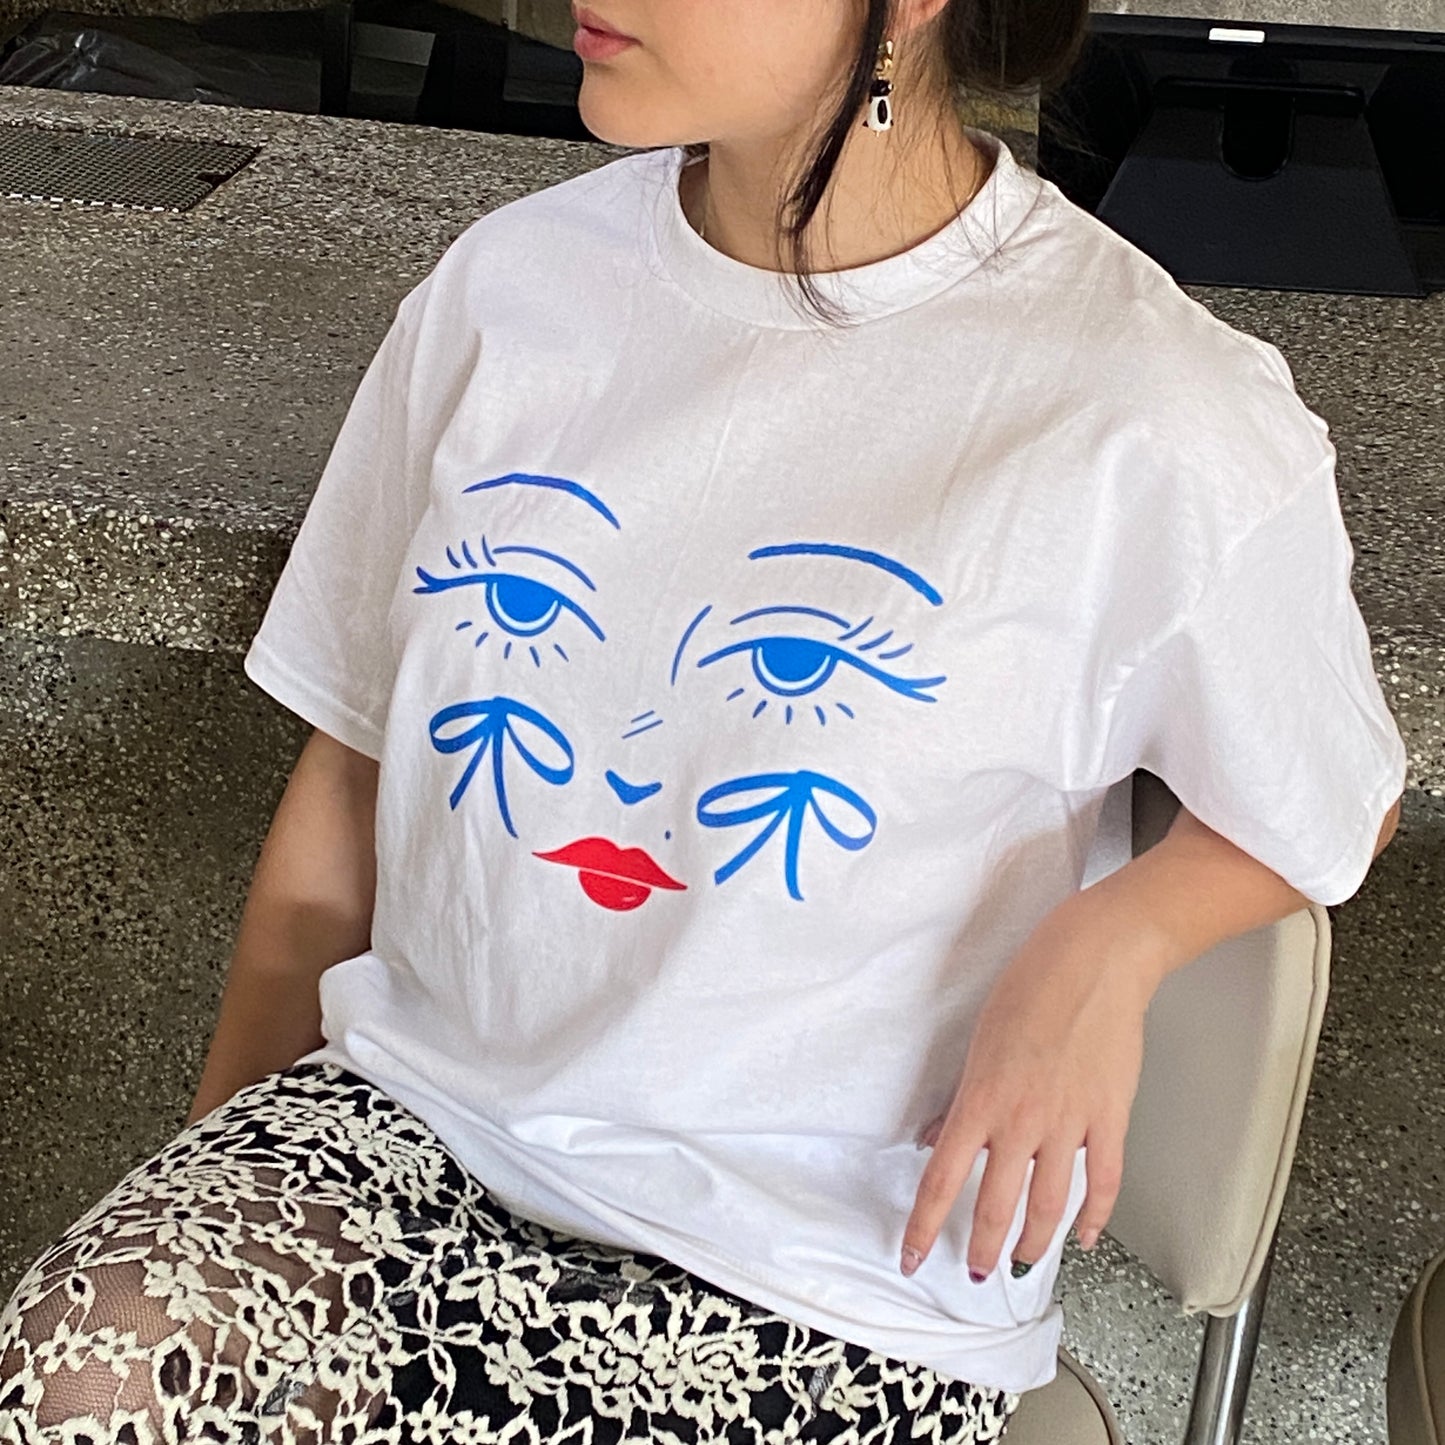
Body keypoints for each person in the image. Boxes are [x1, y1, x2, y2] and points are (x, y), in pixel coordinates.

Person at [0, 0, 1409, 1438]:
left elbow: (1331, 793)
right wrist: (204, 1184)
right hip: (411, 1128)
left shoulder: (1152, 412)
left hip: (817, 1271)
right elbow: (355, 773)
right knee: (85, 1371)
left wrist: (1114, 939)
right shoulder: (508, 288)